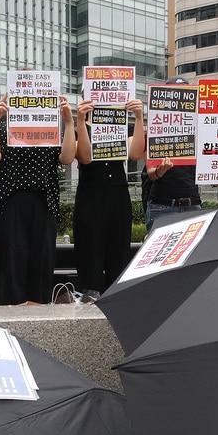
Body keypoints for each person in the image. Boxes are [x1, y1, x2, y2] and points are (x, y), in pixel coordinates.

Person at [0, 84, 77, 303]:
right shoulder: (3, 126)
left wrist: (68, 121)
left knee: (42, 264)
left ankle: (39, 312)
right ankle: (13, 312)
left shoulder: (51, 127)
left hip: (44, 200)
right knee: (11, 264)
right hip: (10, 201)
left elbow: (66, 158)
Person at [73, 93, 145, 293]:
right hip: (90, 194)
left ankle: (117, 299)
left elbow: (136, 153)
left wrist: (139, 117)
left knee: (119, 251)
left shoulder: (123, 126)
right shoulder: (80, 127)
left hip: (118, 194)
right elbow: (85, 158)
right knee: (89, 252)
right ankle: (88, 297)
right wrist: (80, 120)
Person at [144, 76, 201, 229]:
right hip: (162, 205)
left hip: (193, 205)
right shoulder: (155, 130)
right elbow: (151, 173)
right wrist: (159, 171)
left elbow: (209, 169)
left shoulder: (201, 130)